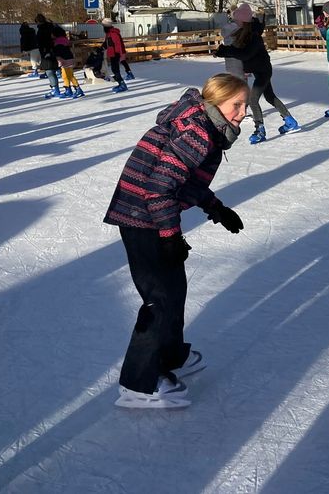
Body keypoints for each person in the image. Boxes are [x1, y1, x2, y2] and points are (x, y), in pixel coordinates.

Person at [105, 73, 248, 409]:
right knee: (160, 298)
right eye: (236, 105)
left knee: (173, 290)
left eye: (246, 105)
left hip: (149, 212)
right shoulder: (197, 132)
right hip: (142, 216)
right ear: (216, 101)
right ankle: (138, 384)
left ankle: (169, 355)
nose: (243, 112)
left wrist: (216, 208)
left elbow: (183, 180)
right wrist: (170, 235)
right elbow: (159, 188)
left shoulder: (203, 125)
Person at [215, 3, 298, 143]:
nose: (235, 23)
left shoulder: (253, 36)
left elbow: (245, 54)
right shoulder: (247, 32)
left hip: (263, 71)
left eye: (237, 20)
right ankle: (290, 121)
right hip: (261, 70)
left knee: (253, 100)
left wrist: (226, 51)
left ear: (243, 22)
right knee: (270, 97)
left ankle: (260, 130)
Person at [35, 13, 63, 98]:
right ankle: (57, 89)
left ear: (38, 21)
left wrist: (46, 51)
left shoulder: (42, 30)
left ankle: (55, 90)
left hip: (47, 52)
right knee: (52, 71)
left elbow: (42, 42)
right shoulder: (52, 27)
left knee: (49, 71)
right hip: (56, 51)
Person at [52, 27, 84, 99]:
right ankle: (76, 89)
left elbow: (58, 53)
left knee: (66, 76)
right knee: (70, 75)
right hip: (70, 59)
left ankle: (71, 90)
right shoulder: (65, 40)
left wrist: (59, 61)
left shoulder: (57, 42)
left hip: (64, 61)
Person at [102, 18, 130, 93]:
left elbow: (118, 45)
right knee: (114, 69)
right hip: (112, 53)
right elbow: (106, 43)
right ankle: (120, 83)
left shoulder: (113, 33)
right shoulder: (108, 33)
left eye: (103, 26)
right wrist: (101, 48)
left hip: (116, 53)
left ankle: (122, 85)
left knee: (115, 70)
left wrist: (121, 54)